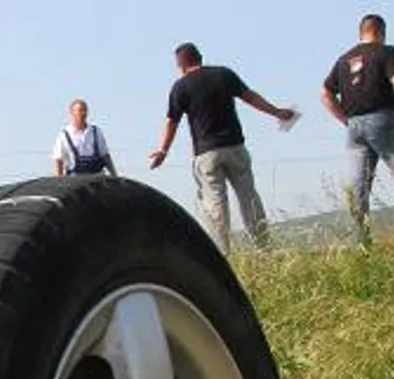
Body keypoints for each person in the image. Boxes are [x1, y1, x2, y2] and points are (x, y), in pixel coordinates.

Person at [149, 43, 296, 253]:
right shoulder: (223, 75)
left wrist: (163, 150)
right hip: (235, 146)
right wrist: (276, 112)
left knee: (216, 206)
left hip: (206, 152)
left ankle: (223, 255)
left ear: (181, 65)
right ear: (200, 57)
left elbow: (172, 121)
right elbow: (250, 97)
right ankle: (264, 249)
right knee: (249, 198)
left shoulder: (180, 87)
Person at [321, 13, 394, 245]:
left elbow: (325, 93)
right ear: (381, 32)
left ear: (361, 32)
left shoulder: (343, 59)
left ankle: (363, 244)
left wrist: (344, 119)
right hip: (383, 119)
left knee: (358, 188)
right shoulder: (386, 52)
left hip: (354, 126)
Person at [53, 99, 118, 177]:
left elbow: (105, 156)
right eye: (80, 110)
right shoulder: (64, 135)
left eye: (85, 110)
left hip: (96, 178)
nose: (83, 113)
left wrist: (114, 175)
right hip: (75, 179)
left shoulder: (96, 131)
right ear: (72, 113)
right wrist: (59, 182)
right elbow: (58, 160)